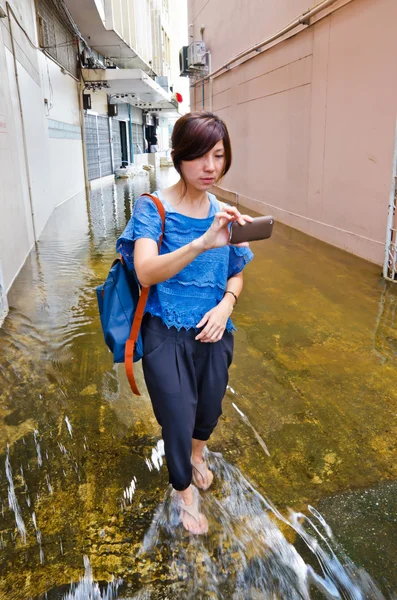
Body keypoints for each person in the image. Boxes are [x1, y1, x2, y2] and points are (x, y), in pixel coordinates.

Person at [116, 111, 254, 535]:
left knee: (207, 411)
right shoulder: (152, 208)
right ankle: (184, 493)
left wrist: (227, 304)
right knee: (177, 415)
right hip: (165, 334)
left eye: (217, 155)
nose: (209, 167)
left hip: (214, 332)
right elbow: (145, 272)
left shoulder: (225, 213)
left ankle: (198, 455)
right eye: (198, 156)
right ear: (178, 158)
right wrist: (201, 242)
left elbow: (237, 270)